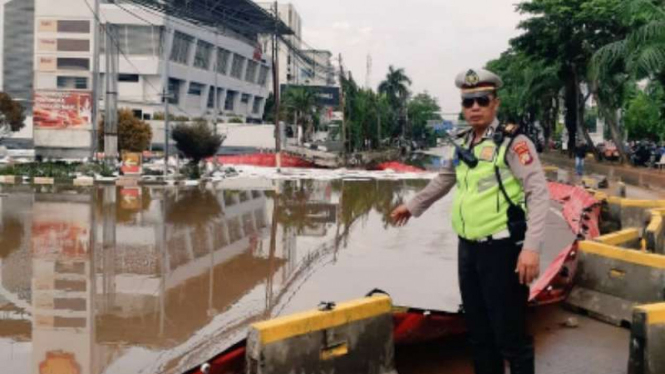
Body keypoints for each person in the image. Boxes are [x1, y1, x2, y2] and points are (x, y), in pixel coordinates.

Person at [391, 68, 550, 374]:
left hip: (504, 251)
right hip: (469, 251)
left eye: (482, 100)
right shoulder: (462, 143)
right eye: (468, 102)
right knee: (478, 333)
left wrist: (531, 248)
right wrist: (412, 206)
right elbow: (444, 180)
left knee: (510, 335)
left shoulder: (513, 144)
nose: (474, 107)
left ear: (495, 104)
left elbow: (539, 194)